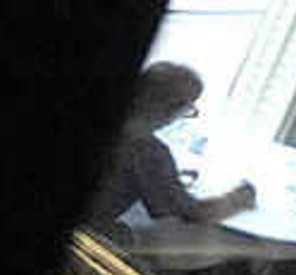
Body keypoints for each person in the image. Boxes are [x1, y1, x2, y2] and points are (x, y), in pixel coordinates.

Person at [89, 61, 256, 229]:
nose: (186, 115)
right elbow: (192, 214)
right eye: (188, 108)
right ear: (171, 107)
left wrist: (168, 178)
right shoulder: (147, 150)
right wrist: (237, 200)